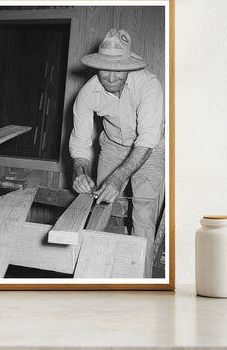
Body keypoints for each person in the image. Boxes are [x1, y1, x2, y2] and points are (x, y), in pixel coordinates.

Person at [69, 28, 165, 277]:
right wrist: (80, 172)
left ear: (130, 66)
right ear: (97, 66)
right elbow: (80, 144)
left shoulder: (149, 85)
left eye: (118, 69)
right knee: (100, 204)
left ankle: (138, 280)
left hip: (149, 149)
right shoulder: (87, 93)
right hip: (112, 146)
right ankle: (93, 274)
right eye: (104, 68)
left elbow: (147, 140)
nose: (110, 77)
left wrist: (120, 176)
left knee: (143, 214)